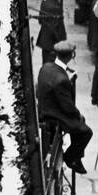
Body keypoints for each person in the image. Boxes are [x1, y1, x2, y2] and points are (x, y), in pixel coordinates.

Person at [35, 40, 93, 174]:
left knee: (79, 124)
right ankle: (71, 157)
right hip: (53, 116)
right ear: (71, 56)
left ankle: (76, 159)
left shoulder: (46, 67)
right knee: (86, 132)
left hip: (44, 108)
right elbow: (68, 107)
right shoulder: (62, 80)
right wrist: (79, 115)